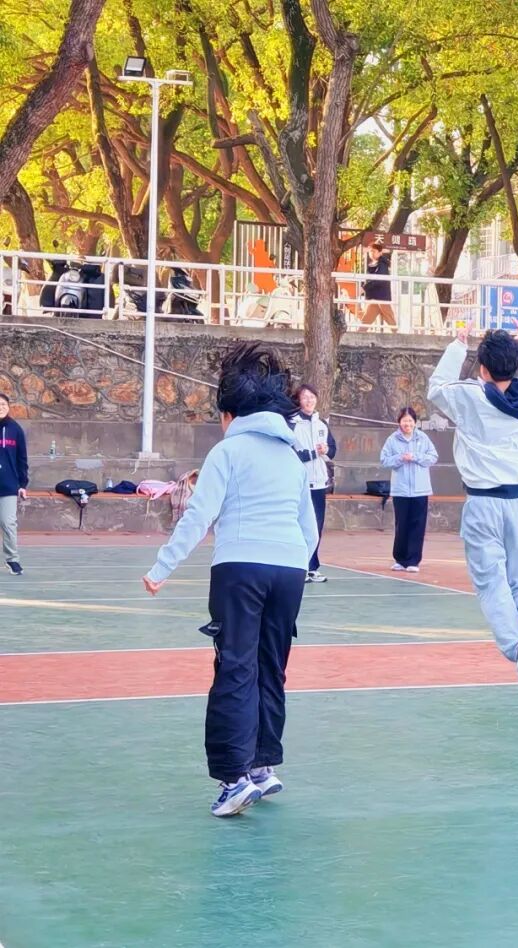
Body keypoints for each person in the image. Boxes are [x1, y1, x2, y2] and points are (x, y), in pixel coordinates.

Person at [141, 342, 319, 817]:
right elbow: (310, 527)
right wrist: (296, 564)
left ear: (229, 412)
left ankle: (233, 778)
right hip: (289, 572)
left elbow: (198, 516)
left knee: (235, 668)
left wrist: (161, 569)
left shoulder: (228, 451)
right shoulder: (292, 457)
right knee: (270, 667)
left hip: (240, 567)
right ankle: (262, 765)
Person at [428, 320, 518, 705]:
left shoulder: (470, 396)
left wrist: (458, 344)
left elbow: (436, 387)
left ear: (484, 369)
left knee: (491, 584)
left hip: (482, 503)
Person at [380, 407, 439, 573]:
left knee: (417, 525)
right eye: (404, 420)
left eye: (410, 421)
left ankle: (413, 560)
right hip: (401, 490)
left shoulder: (423, 438)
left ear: (415, 422)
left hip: (420, 490)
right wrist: (400, 458)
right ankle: (400, 559)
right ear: (399, 422)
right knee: (401, 524)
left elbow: (433, 457)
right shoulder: (392, 440)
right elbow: (384, 460)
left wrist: (415, 457)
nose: (407, 424)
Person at [293, 384, 337, 583]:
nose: (309, 400)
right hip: (300, 483)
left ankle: (312, 567)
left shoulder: (322, 424)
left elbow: (333, 451)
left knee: (316, 526)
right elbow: (291, 452)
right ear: (298, 400)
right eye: (305, 397)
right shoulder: (292, 423)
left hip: (319, 483)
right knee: (301, 526)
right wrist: (312, 453)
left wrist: (325, 450)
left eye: (312, 397)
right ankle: (298, 566)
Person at [0, 392, 29, 576]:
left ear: (8, 407)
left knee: (8, 522)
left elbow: (22, 459)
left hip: (8, 485)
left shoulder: (15, 429)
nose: (1, 407)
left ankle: (12, 560)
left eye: (3, 404)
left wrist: (22, 484)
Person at [361, 241, 395, 327]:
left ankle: (397, 335)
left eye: (374, 251)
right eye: (370, 251)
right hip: (375, 297)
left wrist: (364, 287)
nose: (371, 253)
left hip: (381, 297)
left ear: (380, 253)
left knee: (390, 320)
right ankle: (359, 333)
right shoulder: (373, 264)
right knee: (365, 321)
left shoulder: (382, 264)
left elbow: (379, 279)